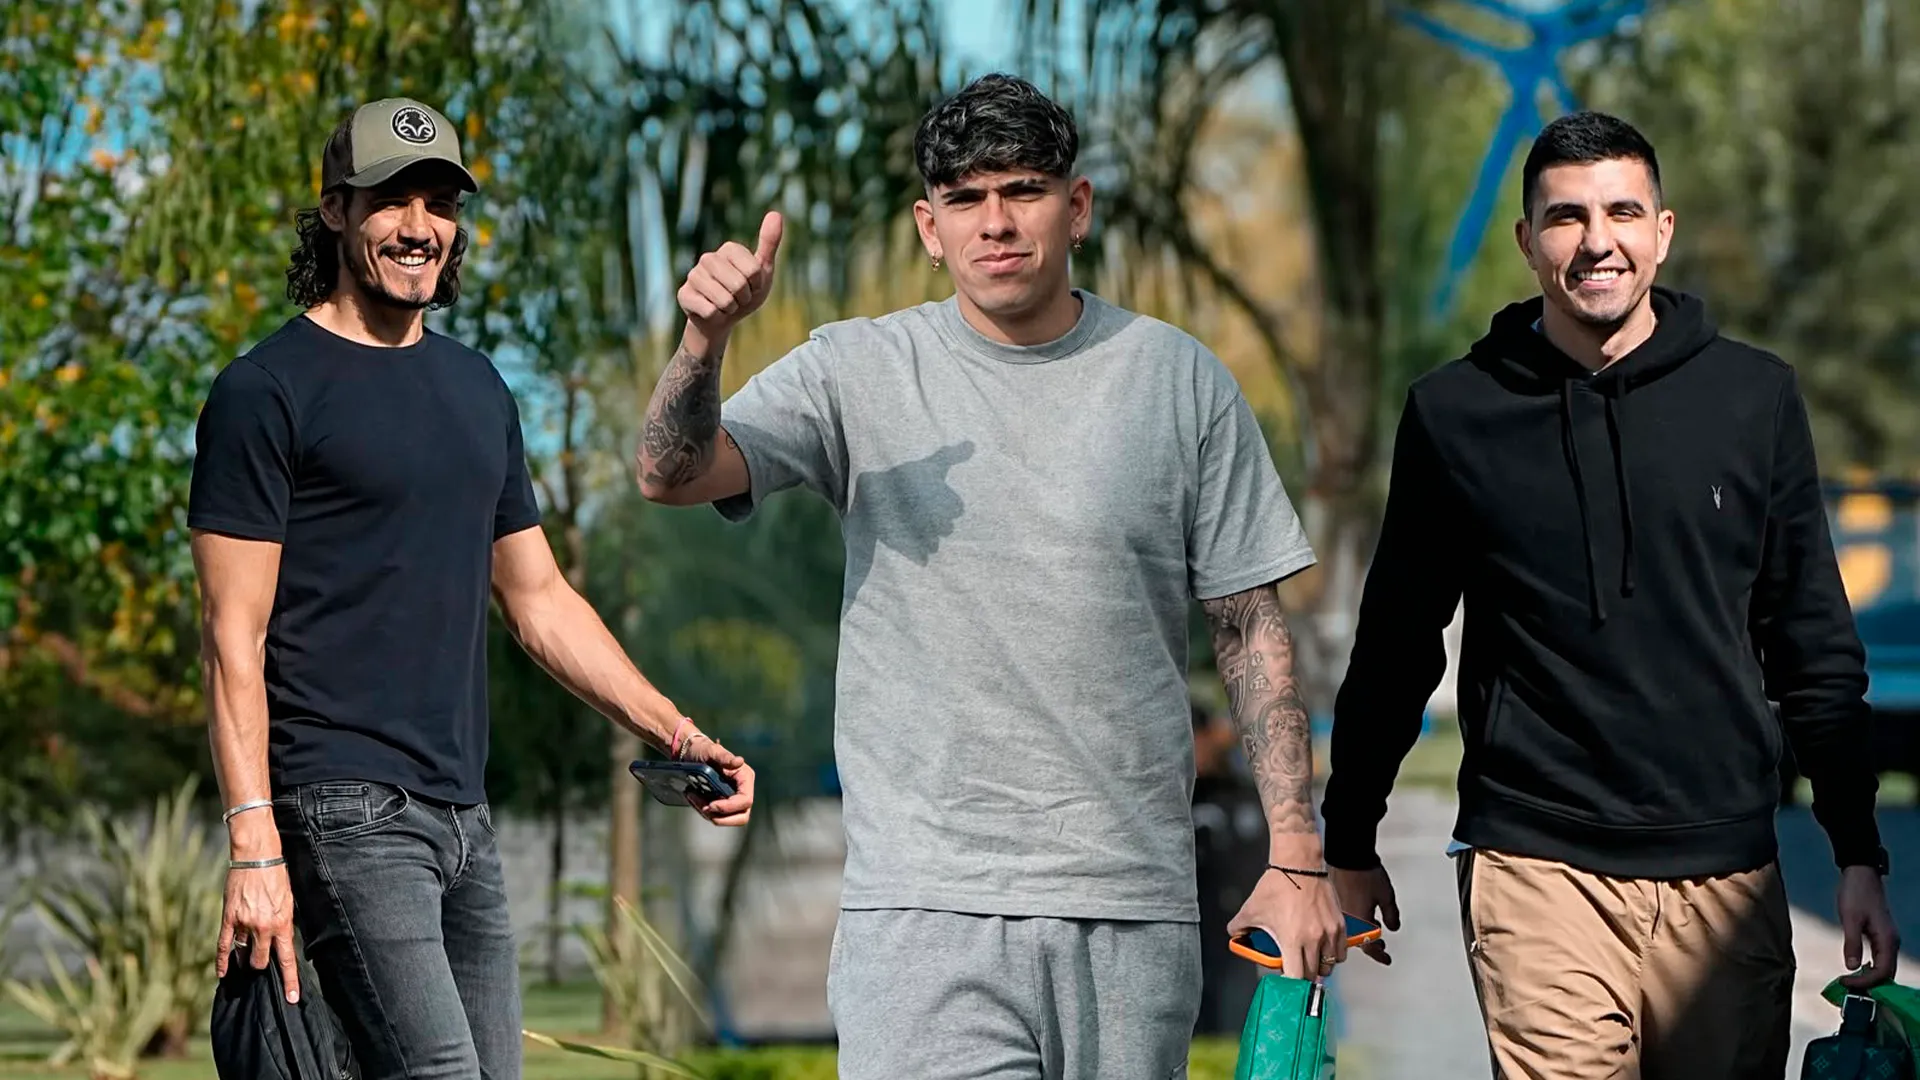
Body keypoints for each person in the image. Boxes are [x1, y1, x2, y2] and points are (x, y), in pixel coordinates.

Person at [633, 72, 1345, 1077]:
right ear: (930, 227)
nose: (996, 222)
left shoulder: (1176, 379)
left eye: (1023, 190)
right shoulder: (855, 371)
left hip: (1130, 909)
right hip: (924, 914)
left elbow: (1248, 625)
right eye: (965, 199)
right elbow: (670, 472)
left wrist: (1297, 855)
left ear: (1077, 206)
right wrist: (704, 340)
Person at [1320, 110, 1902, 1077]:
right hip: (1534, 863)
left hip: (1725, 873)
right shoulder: (1455, 414)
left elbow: (1810, 642)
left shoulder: (1753, 400)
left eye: (1623, 212)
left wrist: (1857, 853)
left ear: (1662, 232)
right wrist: (1349, 836)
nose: (1598, 242)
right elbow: (1397, 642)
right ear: (1527, 240)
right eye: (1567, 217)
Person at [187, 96, 755, 1080]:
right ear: (335, 211)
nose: (421, 227)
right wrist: (255, 847)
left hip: (463, 818)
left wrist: (676, 732)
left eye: (441, 204)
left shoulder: (479, 389)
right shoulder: (265, 391)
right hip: (342, 806)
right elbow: (231, 635)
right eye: (392, 200)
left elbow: (540, 600)